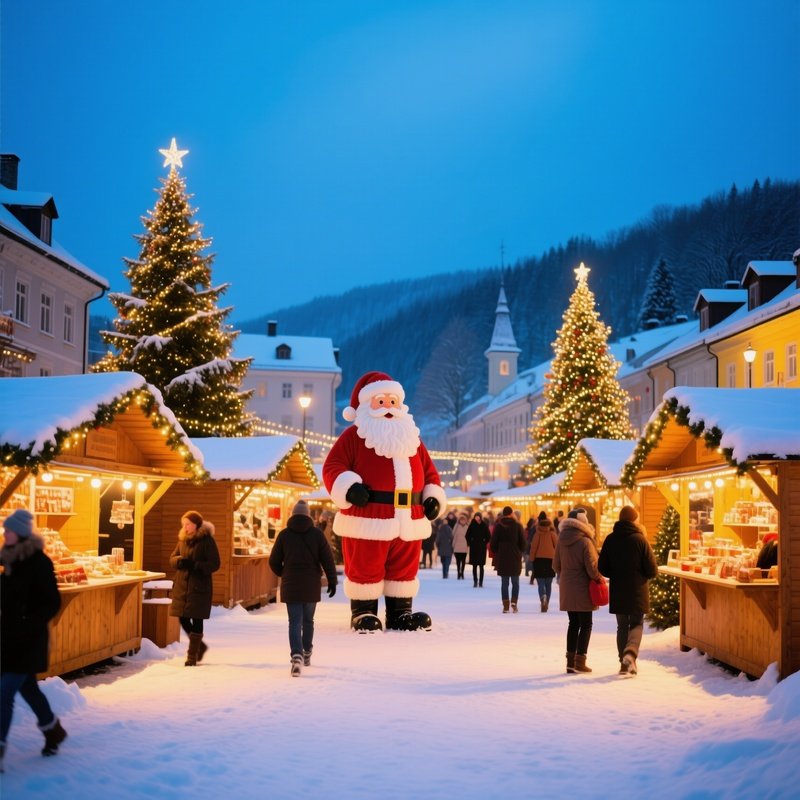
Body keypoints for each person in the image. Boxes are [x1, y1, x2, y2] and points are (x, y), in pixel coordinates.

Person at [323, 371, 446, 632]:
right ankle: (363, 613)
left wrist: (432, 496)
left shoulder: (412, 439)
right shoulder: (354, 437)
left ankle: (401, 612)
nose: (388, 407)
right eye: (381, 401)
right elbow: (333, 466)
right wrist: (349, 487)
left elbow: (429, 472)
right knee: (365, 565)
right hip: (369, 517)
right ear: (367, 404)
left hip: (408, 519)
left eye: (393, 401)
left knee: (403, 568)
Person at [1, 509, 66, 772]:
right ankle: (53, 729)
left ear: (21, 533)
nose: (5, 534)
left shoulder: (39, 562)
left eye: (8, 530)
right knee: (28, 688)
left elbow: (52, 602)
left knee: (3, 693)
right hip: (8, 639)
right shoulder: (9, 561)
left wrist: (28, 623)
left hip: (28, 640)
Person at [269, 499, 338, 676]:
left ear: (292, 515)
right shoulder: (317, 534)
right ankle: (306, 652)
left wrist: (284, 573)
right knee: (308, 621)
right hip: (311, 584)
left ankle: (297, 656)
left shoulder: (284, 535)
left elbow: (273, 561)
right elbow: (327, 559)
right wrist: (332, 580)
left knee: (294, 622)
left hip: (291, 584)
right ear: (308, 515)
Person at [598, 506, 658, 676]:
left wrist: (615, 573)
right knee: (637, 623)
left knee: (622, 626)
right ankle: (630, 653)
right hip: (637, 589)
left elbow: (602, 567)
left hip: (618, 589)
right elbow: (652, 569)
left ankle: (624, 663)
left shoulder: (610, 539)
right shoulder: (640, 540)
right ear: (634, 520)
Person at [553, 507, 602, 673]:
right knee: (586, 624)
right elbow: (592, 568)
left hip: (567, 586)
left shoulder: (561, 540)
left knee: (573, 623)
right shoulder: (585, 541)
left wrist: (566, 575)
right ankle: (580, 661)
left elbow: (555, 565)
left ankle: (570, 662)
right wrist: (598, 578)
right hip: (582, 587)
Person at [169, 510, 221, 666]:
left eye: (188, 524)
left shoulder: (207, 541)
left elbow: (214, 564)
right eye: (183, 524)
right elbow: (172, 558)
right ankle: (201, 646)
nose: (185, 527)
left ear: (196, 525)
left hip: (199, 587)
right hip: (182, 586)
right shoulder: (182, 540)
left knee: (197, 619)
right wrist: (179, 561)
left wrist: (195, 565)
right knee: (183, 617)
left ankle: (192, 656)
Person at [490, 506, 526, 613]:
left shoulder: (498, 526)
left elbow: (493, 543)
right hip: (515, 557)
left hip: (503, 557)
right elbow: (523, 543)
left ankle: (506, 605)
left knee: (504, 582)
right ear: (511, 514)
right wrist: (519, 551)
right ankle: (514, 601)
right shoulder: (517, 526)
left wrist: (498, 551)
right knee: (515, 582)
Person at [530, 511, 558, 611]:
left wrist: (532, 559)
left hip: (539, 560)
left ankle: (543, 598)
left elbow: (533, 547)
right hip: (550, 560)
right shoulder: (552, 534)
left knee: (541, 583)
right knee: (548, 583)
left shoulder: (537, 534)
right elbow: (557, 546)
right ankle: (547, 601)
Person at [465, 512, 491, 587]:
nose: (477, 518)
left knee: (481, 566)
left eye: (478, 517)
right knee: (474, 566)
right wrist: (470, 542)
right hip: (474, 548)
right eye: (476, 517)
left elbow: (488, 536)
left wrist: (484, 542)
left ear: (480, 517)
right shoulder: (472, 525)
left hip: (482, 548)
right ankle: (475, 581)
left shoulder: (484, 525)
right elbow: (467, 535)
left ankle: (481, 581)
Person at [452, 512, 469, 580]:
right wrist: (453, 545)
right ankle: (458, 573)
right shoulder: (456, 526)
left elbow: (469, 537)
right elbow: (453, 535)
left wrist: (468, 545)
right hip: (457, 546)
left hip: (464, 546)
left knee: (463, 561)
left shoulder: (467, 527)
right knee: (458, 561)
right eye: (461, 520)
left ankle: (462, 573)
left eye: (463, 520)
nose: (462, 521)